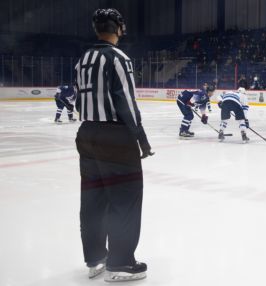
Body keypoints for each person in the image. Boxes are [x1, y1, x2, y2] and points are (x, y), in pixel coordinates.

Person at [74, 8, 154, 282]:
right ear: (118, 28)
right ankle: (120, 263)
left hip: (87, 134)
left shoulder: (83, 59)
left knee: (93, 198)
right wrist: (140, 137)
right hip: (115, 138)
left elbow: (78, 101)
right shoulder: (118, 58)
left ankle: (95, 258)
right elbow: (126, 102)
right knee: (125, 199)